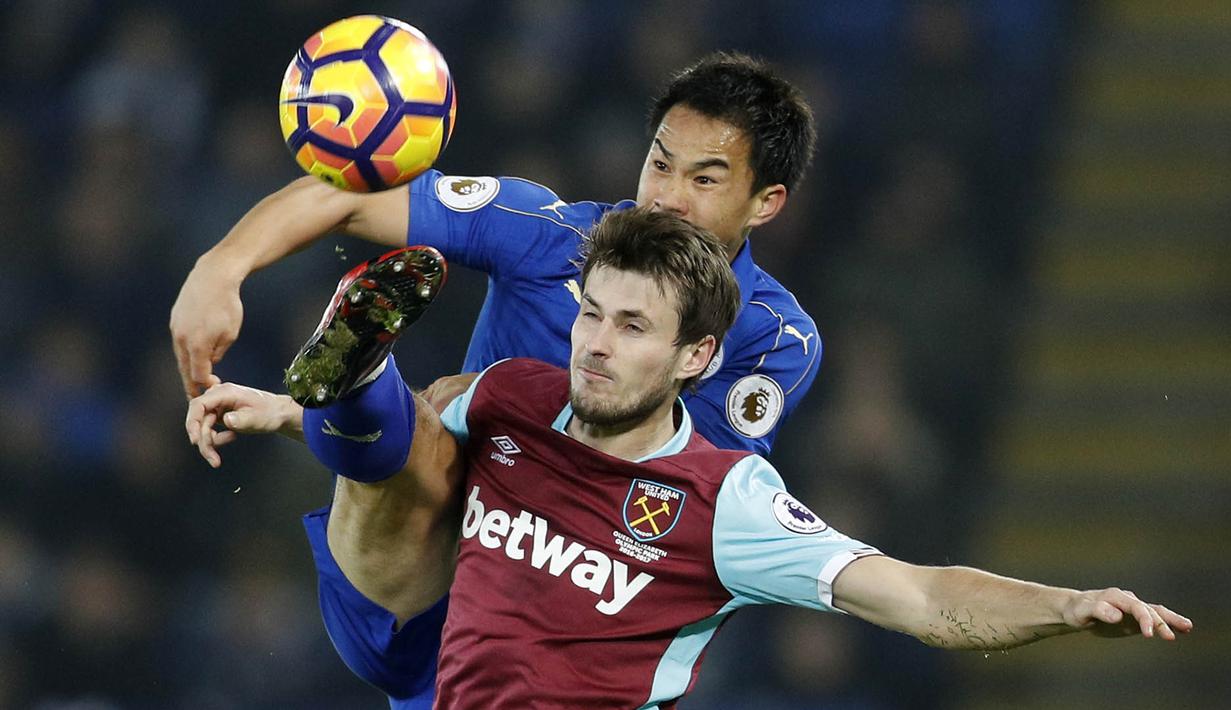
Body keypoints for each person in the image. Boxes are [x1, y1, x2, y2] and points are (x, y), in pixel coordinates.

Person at [186, 209, 1191, 708]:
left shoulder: (725, 499)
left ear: (695, 355)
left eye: (632, 325)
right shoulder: (515, 396)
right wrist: (276, 411)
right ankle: (350, 372)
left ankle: (356, 377)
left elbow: (922, 597)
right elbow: (421, 451)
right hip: (424, 660)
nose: (595, 342)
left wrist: (1064, 605)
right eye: (588, 314)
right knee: (395, 447)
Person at [171, 51, 820, 455]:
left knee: (460, 410)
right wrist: (221, 266)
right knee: (441, 439)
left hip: (594, 580)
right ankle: (363, 394)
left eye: (703, 180)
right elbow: (350, 195)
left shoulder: (774, 339)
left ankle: (369, 397)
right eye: (659, 164)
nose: (667, 198)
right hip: (447, 519)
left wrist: (503, 394)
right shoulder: (548, 233)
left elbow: (683, 481)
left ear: (765, 202)